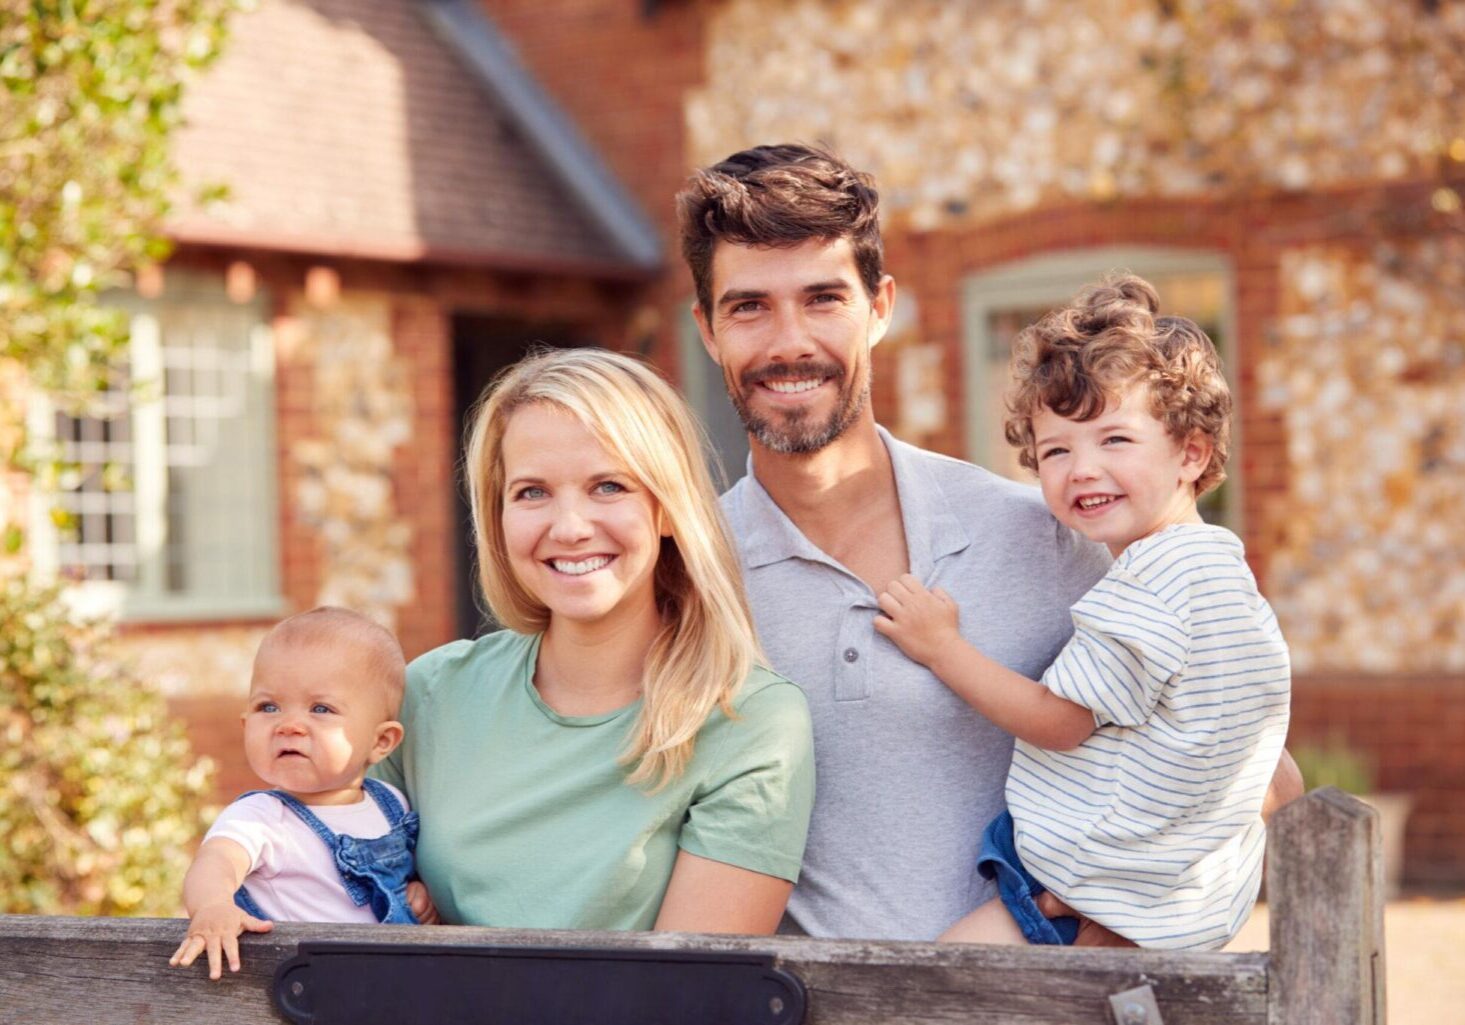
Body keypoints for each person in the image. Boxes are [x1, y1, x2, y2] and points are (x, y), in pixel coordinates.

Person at [677, 143, 1302, 943]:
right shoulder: (685, 574)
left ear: (880, 307)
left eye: (823, 299)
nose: (788, 341)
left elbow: (1244, 755)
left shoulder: (1048, 535)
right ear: (707, 329)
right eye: (748, 307)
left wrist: (1133, 912)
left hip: (1043, 987)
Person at [877, 275, 1289, 950]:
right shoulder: (1224, 573)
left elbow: (1059, 721)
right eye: (1056, 450)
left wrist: (941, 648)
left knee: (937, 979)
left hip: (1082, 899)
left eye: (1114, 440)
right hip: (1167, 911)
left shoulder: (1148, 583)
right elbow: (1279, 771)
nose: (1081, 469)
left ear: (1191, 452)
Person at [371, 348, 814, 933]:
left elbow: (694, 980)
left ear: (667, 508)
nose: (570, 527)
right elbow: (320, 874)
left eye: (608, 486)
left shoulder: (749, 722)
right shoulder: (430, 693)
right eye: (532, 492)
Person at [169, 607, 419, 981]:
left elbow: (393, 886)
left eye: (321, 708)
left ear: (381, 741)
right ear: (245, 724)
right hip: (310, 990)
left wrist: (414, 896)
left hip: (395, 984)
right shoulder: (262, 818)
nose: (289, 725)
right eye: (268, 707)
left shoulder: (391, 804)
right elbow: (217, 861)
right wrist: (213, 905)